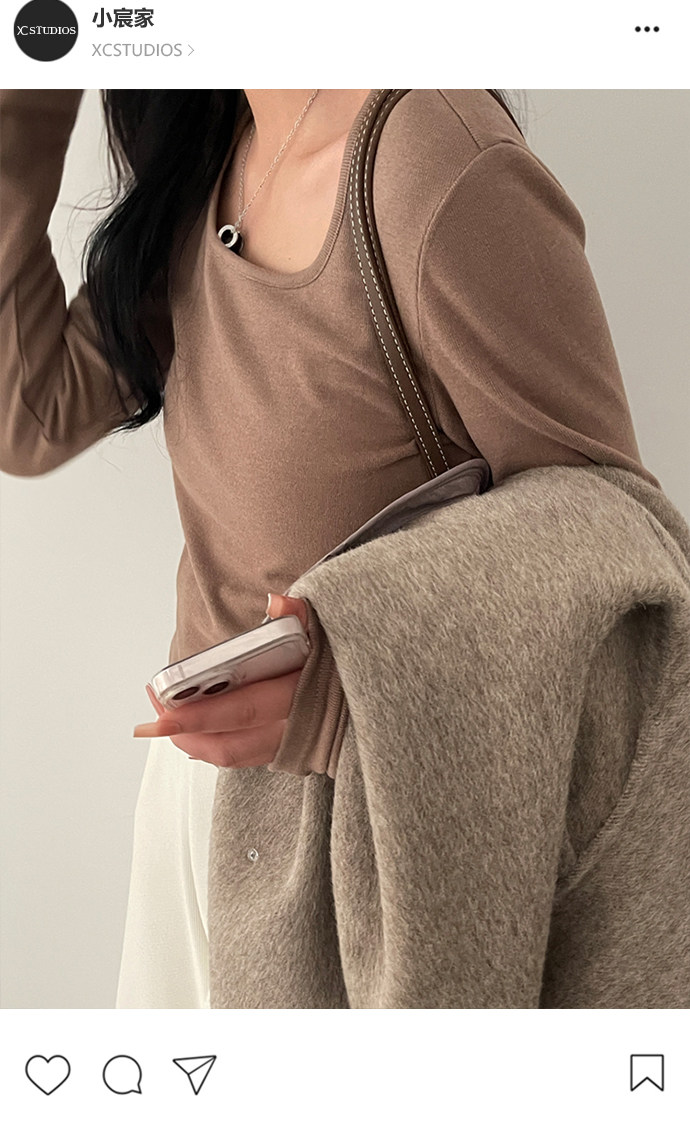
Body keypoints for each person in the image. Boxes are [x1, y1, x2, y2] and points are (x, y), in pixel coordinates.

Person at [0, 87, 661, 1009]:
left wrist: (351, 679)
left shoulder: (435, 159)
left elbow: (617, 534)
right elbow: (28, 411)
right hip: (190, 815)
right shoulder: (212, 153)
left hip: (364, 837)